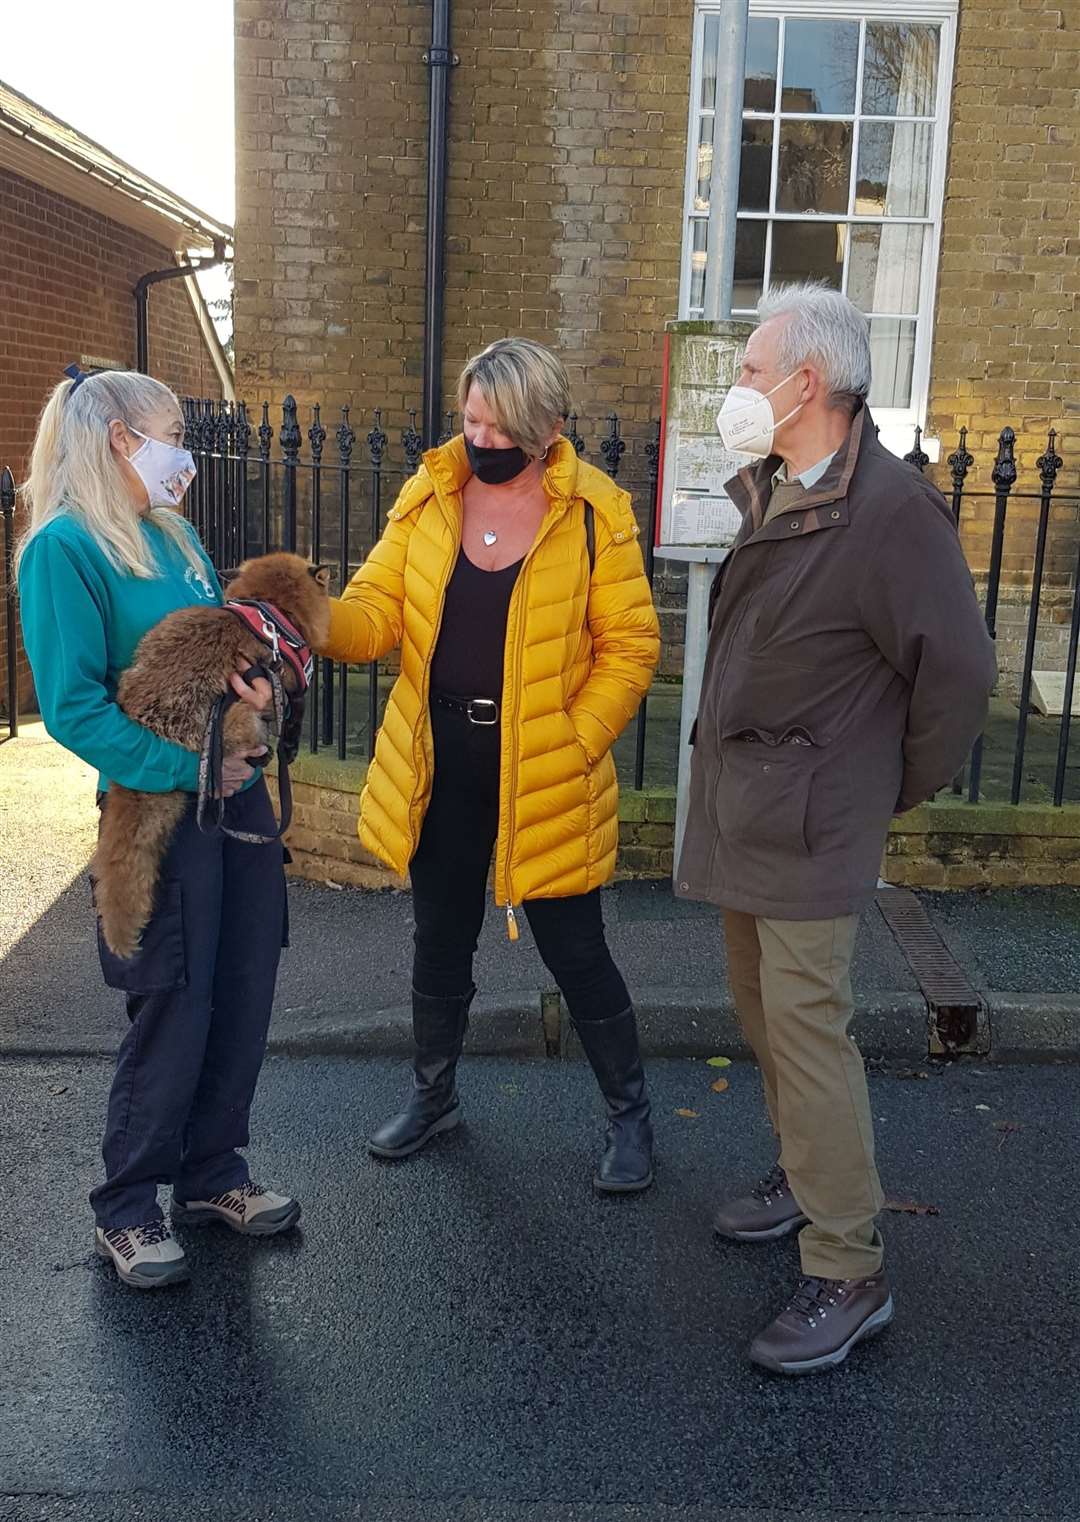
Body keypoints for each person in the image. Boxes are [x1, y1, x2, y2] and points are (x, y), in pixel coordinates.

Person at [678, 285, 997, 1373]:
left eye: (754, 369)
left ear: (808, 382)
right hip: (751, 805)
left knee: (809, 1030)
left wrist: (882, 788)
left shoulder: (891, 513)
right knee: (764, 1011)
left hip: (813, 820)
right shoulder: (782, 483)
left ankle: (846, 1267)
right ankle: (802, 1168)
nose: (740, 389)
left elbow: (958, 674)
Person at [321, 337, 660, 1190]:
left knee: (577, 953)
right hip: (440, 767)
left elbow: (630, 648)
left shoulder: (593, 513)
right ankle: (433, 1097)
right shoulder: (429, 497)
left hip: (542, 772)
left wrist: (577, 740)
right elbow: (373, 611)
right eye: (469, 418)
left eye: (497, 424)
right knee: (438, 942)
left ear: (546, 428)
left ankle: (631, 1117)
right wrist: (310, 615)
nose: (478, 437)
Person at [16, 367, 300, 1291]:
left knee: (244, 979)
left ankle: (213, 1175)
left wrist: (256, 696)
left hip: (237, 789)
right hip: (160, 804)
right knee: (173, 999)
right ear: (118, 440)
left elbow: (213, 648)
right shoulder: (63, 550)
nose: (184, 451)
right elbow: (71, 708)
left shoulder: (172, 534)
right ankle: (129, 1204)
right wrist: (189, 769)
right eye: (171, 432)